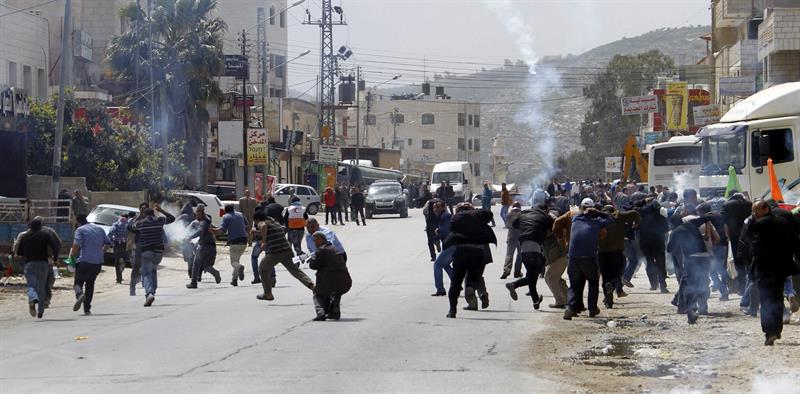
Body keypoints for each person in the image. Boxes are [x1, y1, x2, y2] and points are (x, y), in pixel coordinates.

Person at [750, 200, 800, 345]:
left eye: (757, 210)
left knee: (766, 299)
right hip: (782, 268)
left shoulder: (760, 224)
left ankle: (769, 332)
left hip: (766, 268)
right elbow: (795, 242)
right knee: (777, 298)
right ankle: (777, 330)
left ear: (766, 209)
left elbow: (757, 249)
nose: (755, 214)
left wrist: (753, 268)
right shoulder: (783, 221)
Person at [443, 203, 496, 318]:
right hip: (478, 252)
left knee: (455, 284)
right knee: (474, 278)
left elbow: (451, 233)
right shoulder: (478, 217)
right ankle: (471, 288)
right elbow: (488, 215)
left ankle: (452, 310)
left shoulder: (457, 219)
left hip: (461, 252)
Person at [563, 198, 613, 320]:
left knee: (574, 285)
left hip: (573, 258)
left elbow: (574, 212)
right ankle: (592, 309)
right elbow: (611, 219)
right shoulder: (597, 222)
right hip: (589, 258)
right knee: (593, 283)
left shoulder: (575, 219)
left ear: (581, 208)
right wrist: (598, 212)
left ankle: (569, 308)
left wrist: (584, 211)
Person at [504, 200, 554, 310]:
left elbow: (515, 225)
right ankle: (513, 285)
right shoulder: (545, 216)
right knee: (532, 275)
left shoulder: (524, 214)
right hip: (534, 248)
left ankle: (536, 301)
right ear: (545, 210)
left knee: (531, 275)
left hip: (524, 249)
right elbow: (553, 228)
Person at [257, 213, 315, 301]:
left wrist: (264, 242)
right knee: (295, 271)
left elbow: (263, 226)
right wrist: (258, 233)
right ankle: (312, 286)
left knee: (263, 269)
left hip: (275, 253)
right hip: (287, 250)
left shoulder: (262, 223)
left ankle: (268, 294)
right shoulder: (275, 223)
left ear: (257, 219)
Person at [128, 204, 175, 307]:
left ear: (144, 214)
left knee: (146, 273)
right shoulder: (159, 220)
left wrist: (139, 215)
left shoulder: (141, 223)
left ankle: (149, 293)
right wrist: (161, 210)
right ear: (153, 213)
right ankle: (152, 292)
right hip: (158, 252)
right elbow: (172, 218)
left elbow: (130, 226)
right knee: (153, 270)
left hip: (147, 251)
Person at [15, 217, 61, 318]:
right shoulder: (45, 234)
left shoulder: (25, 236)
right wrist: (55, 258)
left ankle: (32, 299)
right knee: (42, 287)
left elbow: (19, 252)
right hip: (43, 264)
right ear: (41, 226)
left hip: (29, 264)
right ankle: (40, 312)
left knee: (31, 286)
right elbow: (56, 246)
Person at [597, 205, 640, 308]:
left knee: (605, 277)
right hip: (617, 252)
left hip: (602, 253)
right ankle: (612, 285)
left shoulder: (598, 219)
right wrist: (637, 224)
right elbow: (634, 213)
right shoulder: (618, 216)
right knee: (618, 274)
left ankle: (608, 302)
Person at [69, 214, 112, 315]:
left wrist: (71, 260)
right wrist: (101, 252)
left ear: (78, 222)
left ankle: (79, 295)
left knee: (77, 283)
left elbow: (76, 245)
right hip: (97, 263)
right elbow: (108, 243)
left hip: (84, 261)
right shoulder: (99, 229)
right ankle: (87, 309)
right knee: (90, 283)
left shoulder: (80, 230)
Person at [308, 231, 352, 321]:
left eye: (316, 240)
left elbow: (313, 266)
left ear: (321, 239)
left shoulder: (321, 250)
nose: (314, 243)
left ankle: (321, 313)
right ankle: (335, 312)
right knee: (336, 293)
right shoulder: (334, 248)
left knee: (317, 294)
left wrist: (312, 258)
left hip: (331, 283)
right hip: (345, 281)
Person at [637, 197, 670, 293]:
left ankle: (653, 284)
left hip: (645, 241)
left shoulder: (642, 213)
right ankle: (663, 285)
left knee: (649, 262)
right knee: (661, 263)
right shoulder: (661, 215)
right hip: (658, 241)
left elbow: (630, 206)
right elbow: (666, 230)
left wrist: (643, 201)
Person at [721, 192, 752, 294]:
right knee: (748, 260)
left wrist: (727, 236)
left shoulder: (727, 204)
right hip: (747, 235)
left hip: (734, 236)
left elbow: (724, 222)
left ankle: (741, 287)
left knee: (737, 261)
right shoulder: (748, 203)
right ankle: (749, 285)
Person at [186, 205, 222, 288]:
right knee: (207, 266)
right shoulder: (208, 221)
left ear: (202, 213)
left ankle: (193, 283)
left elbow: (199, 232)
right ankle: (215, 273)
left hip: (203, 246)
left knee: (196, 264)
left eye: (198, 214)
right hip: (212, 247)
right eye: (196, 214)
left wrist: (190, 238)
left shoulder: (203, 222)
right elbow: (217, 229)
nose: (197, 216)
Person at [217, 204, 248, 286]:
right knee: (236, 261)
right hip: (244, 241)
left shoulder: (225, 216)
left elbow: (222, 230)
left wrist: (214, 231)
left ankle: (240, 267)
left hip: (234, 242)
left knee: (234, 263)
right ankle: (234, 280)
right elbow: (247, 225)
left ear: (225, 210)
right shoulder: (240, 214)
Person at [431, 200, 454, 296]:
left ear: (443, 207)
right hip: (450, 245)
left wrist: (438, 231)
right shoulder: (442, 216)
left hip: (451, 245)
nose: (435, 209)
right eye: (434, 207)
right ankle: (456, 283)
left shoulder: (446, 216)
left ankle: (440, 289)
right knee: (445, 264)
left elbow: (446, 230)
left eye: (437, 207)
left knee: (437, 264)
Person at [501, 202, 523, 279]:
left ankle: (506, 270)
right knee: (520, 255)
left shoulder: (509, 214)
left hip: (511, 236)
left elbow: (507, 225)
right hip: (520, 236)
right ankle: (517, 272)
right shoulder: (522, 214)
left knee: (509, 254)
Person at [110, 214, 131, 284]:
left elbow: (110, 233)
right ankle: (123, 263)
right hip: (125, 244)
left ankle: (119, 279)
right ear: (127, 218)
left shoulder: (115, 224)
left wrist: (111, 241)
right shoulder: (128, 225)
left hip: (117, 244)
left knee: (116, 262)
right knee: (125, 258)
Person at [177, 203, 196, 279]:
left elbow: (176, 225)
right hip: (193, 238)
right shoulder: (194, 217)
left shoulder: (182, 217)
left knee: (188, 257)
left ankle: (190, 270)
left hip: (185, 239)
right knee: (193, 255)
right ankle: (193, 270)